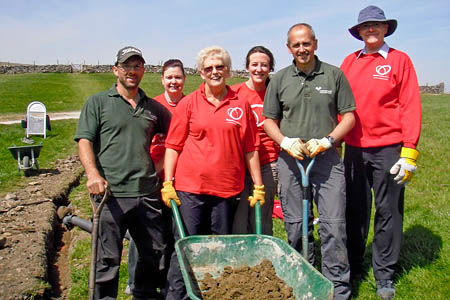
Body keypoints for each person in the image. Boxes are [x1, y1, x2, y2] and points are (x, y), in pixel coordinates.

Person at [161, 45, 264, 300]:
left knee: (219, 250)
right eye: (209, 68)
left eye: (220, 67)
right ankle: (178, 296)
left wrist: (259, 186)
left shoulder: (241, 104)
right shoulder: (188, 104)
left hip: (227, 189)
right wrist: (168, 183)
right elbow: (173, 146)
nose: (214, 71)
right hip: (190, 189)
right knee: (186, 247)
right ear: (200, 72)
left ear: (228, 71)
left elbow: (250, 148)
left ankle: (213, 294)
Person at [263, 23, 356, 300]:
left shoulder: (334, 75)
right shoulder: (279, 79)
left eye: (306, 43)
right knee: (295, 226)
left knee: (334, 225)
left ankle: (337, 288)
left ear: (315, 43)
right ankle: (302, 279)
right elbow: (269, 121)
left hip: (326, 160)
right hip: (292, 161)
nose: (301, 49)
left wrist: (329, 140)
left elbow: (349, 116)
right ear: (288, 48)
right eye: (296, 45)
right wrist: (285, 142)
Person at [75, 46, 171, 300]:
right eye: (127, 66)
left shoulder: (153, 108)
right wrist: (93, 174)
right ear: (116, 70)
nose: (132, 71)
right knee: (107, 258)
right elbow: (84, 140)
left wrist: (158, 169)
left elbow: (177, 138)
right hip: (110, 194)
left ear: (143, 70)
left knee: (155, 253)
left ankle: (143, 295)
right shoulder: (98, 102)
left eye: (137, 66)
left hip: (147, 194)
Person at [340, 6, 421, 300]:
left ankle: (384, 273)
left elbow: (410, 105)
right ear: (358, 32)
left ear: (386, 29)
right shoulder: (349, 62)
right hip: (354, 148)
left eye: (376, 24)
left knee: (388, 211)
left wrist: (409, 150)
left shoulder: (399, 60)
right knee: (354, 210)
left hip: (389, 148)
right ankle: (354, 265)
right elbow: (341, 105)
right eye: (365, 26)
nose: (371, 29)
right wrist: (335, 140)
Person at [126, 59, 186, 296]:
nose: (174, 81)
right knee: (142, 235)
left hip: (180, 181)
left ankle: (170, 281)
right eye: (169, 77)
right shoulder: (150, 107)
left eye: (178, 77)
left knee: (174, 233)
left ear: (184, 79)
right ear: (162, 79)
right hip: (151, 180)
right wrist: (154, 170)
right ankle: (135, 282)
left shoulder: (190, 105)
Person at [231, 46, 280, 235]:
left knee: (262, 216)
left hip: (268, 162)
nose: (259, 69)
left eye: (264, 65)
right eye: (254, 64)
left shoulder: (275, 94)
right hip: (239, 164)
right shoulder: (235, 93)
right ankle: (240, 257)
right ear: (247, 67)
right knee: (239, 217)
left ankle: (263, 258)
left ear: (270, 68)